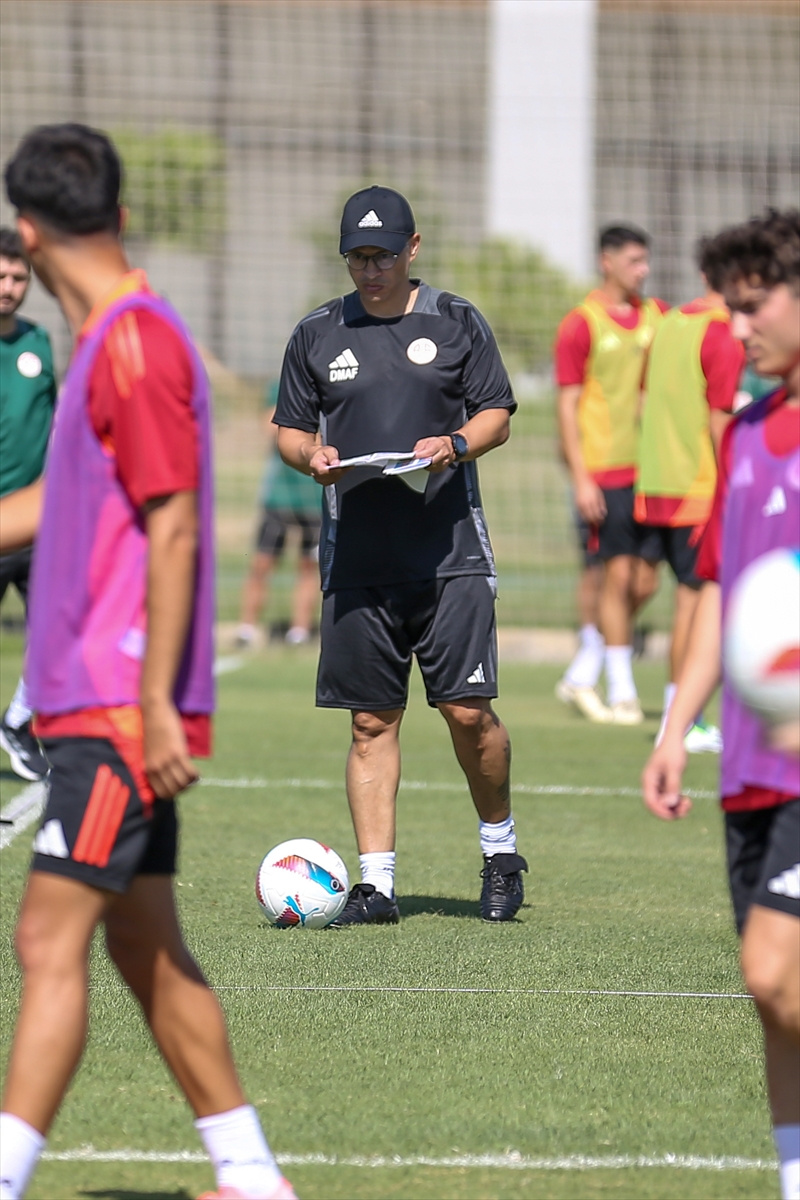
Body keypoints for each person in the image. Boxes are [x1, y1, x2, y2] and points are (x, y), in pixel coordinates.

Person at [0, 125, 296, 1200]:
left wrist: (160, 705)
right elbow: (67, 500)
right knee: (144, 949)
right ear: (115, 216)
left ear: (27, 237)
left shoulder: (133, 341)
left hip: (117, 703)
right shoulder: (101, 342)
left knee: (48, 941)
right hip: (98, 699)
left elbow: (174, 527)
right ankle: (250, 1175)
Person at [274, 185, 526, 925]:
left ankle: (501, 853)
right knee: (370, 724)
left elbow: (497, 414)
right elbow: (289, 429)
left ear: (412, 248)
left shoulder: (456, 321)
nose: (371, 269)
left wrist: (454, 443)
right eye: (357, 257)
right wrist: (310, 456)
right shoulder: (316, 333)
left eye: (383, 255)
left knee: (468, 714)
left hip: (450, 557)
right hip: (357, 560)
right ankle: (376, 887)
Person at [642, 209, 800, 1200]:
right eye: (729, 310)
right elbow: (716, 594)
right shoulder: (744, 434)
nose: (736, 330)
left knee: (771, 970)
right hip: (748, 760)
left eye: (753, 308)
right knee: (773, 1000)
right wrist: (673, 728)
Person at [636, 237, 745, 753]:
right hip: (698, 486)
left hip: (656, 480)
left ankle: (680, 719)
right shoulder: (723, 334)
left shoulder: (670, 322)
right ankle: (681, 723)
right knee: (694, 605)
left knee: (682, 600)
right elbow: (720, 420)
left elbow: (644, 399)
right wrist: (734, 486)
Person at [555, 225, 668, 724]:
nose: (643, 270)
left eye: (645, 261)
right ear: (607, 261)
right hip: (604, 468)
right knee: (615, 576)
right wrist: (581, 477)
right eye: (634, 260)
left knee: (646, 581)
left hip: (652, 469)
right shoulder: (582, 323)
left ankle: (584, 671)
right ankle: (622, 691)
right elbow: (567, 404)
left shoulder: (657, 316)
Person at [0, 227, 56, 782]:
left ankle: (17, 721)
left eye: (18, 277)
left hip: (37, 524)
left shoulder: (38, 342)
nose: (9, 286)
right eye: (1, 276)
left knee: (58, 634)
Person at [236, 383, 321, 648]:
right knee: (261, 564)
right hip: (280, 497)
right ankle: (246, 629)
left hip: (315, 500)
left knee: (308, 566)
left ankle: (299, 632)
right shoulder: (282, 386)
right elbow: (272, 427)